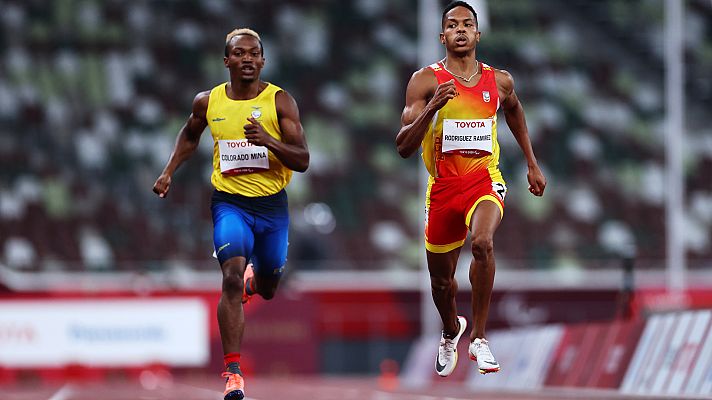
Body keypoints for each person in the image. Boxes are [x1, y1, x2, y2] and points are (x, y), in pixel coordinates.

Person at [152, 28, 309, 400]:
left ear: (263, 60)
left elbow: (302, 160)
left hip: (272, 205)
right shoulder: (209, 102)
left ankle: (256, 284)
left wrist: (268, 140)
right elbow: (190, 135)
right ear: (227, 61)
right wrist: (168, 170)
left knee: (269, 287)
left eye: (255, 53)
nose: (248, 59)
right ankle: (233, 372)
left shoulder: (280, 102)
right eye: (240, 54)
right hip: (230, 201)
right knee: (231, 276)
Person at [395, 1, 546, 376]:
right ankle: (451, 330)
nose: (460, 29)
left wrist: (531, 162)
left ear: (478, 34)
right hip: (444, 188)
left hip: (484, 180)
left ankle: (479, 337)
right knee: (441, 281)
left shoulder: (499, 80)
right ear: (441, 35)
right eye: (452, 25)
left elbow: (513, 108)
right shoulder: (424, 81)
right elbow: (403, 146)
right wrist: (432, 107)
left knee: (482, 243)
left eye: (467, 24)